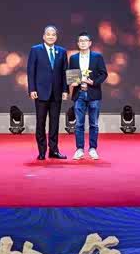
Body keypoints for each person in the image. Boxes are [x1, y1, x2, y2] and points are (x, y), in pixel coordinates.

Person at [27, 25, 68, 160]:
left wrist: (65, 90)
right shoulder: (35, 50)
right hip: (40, 92)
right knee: (41, 123)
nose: (51, 36)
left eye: (53, 34)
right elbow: (31, 71)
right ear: (44, 36)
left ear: (56, 37)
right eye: (48, 34)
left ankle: (54, 150)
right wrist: (32, 89)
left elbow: (64, 72)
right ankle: (42, 151)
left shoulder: (62, 51)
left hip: (57, 93)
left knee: (54, 123)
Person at [68, 32, 108, 160]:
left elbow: (104, 74)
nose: (83, 43)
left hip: (93, 93)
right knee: (79, 124)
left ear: (90, 43)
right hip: (79, 94)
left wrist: (93, 82)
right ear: (78, 43)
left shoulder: (97, 57)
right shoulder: (73, 58)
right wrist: (74, 81)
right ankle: (79, 149)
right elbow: (71, 75)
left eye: (85, 40)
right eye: (81, 41)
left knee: (94, 123)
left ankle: (92, 148)